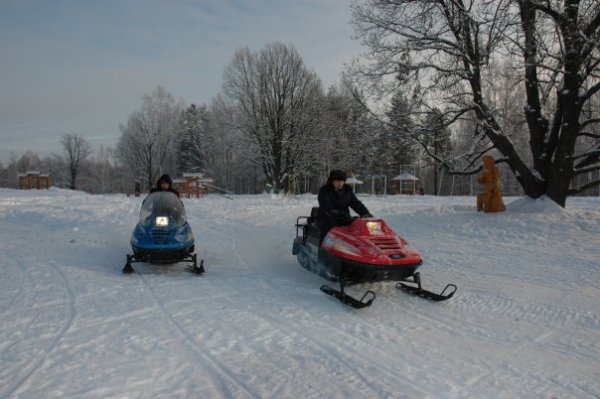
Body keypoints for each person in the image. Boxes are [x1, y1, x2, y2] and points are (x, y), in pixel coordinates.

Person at [317, 170, 373, 241]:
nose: (340, 183)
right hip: (326, 217)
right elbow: (324, 203)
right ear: (332, 181)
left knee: (358, 225)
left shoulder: (347, 190)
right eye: (337, 181)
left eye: (342, 181)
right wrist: (331, 210)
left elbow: (355, 203)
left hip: (344, 217)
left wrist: (365, 213)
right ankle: (321, 249)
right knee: (328, 228)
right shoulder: (325, 190)